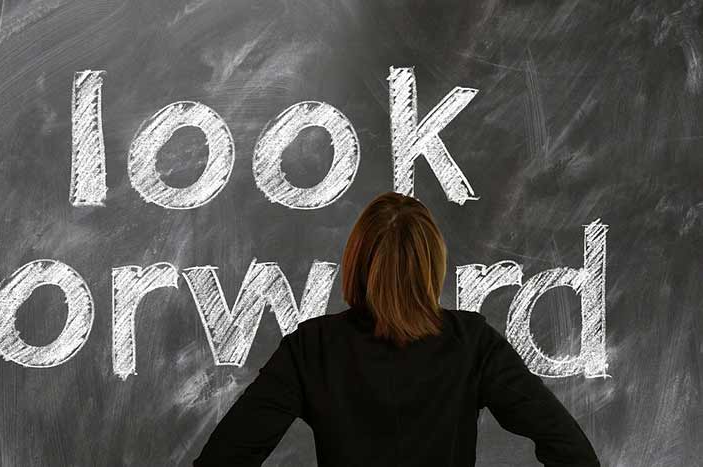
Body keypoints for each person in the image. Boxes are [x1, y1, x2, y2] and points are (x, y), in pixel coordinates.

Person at [192, 192, 601, 466]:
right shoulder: (471, 342)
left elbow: (220, 462)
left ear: (358, 261)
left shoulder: (311, 348)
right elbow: (574, 454)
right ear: (431, 266)